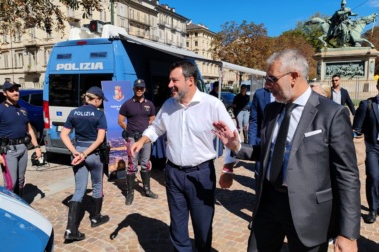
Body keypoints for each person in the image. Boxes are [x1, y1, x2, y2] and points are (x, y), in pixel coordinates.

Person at [216, 49, 360, 252]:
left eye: (271, 79)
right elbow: (267, 152)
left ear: (293, 77)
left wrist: (348, 233)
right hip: (268, 203)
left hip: (309, 211)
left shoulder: (332, 113)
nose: (267, 86)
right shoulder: (272, 110)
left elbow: (347, 175)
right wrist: (237, 147)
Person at [130, 60, 238, 251]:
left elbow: (232, 137)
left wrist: (228, 168)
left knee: (202, 227)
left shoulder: (212, 104)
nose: (169, 84)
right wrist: (142, 140)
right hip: (173, 174)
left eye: (174, 80)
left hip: (201, 175)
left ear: (190, 80)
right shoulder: (169, 105)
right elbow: (156, 128)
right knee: (178, 227)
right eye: (170, 80)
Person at [60, 86, 110, 242]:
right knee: (97, 185)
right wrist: (85, 154)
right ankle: (95, 217)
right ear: (96, 99)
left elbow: (63, 134)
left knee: (79, 189)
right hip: (93, 154)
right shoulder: (99, 114)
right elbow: (100, 139)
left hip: (78, 150)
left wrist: (75, 151)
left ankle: (71, 230)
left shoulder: (74, 112)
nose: (101, 103)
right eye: (101, 100)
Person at [0, 81, 41, 196]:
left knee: (21, 181)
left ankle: (19, 204)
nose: (15, 93)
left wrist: (37, 147)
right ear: (4, 93)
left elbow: (30, 130)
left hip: (23, 148)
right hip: (8, 150)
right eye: (11, 90)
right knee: (11, 184)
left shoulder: (22, 109)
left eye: (16, 90)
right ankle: (7, 210)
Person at [118, 78, 158, 205]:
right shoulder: (127, 104)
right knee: (132, 165)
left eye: (141, 88)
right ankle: (130, 193)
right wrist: (128, 130)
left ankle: (146, 189)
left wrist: (148, 129)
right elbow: (120, 121)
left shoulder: (150, 104)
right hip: (132, 138)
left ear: (144, 89)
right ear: (133, 89)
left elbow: (152, 118)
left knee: (146, 163)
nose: (139, 90)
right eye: (137, 88)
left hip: (145, 139)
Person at [353, 80, 379, 224]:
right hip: (372, 147)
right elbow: (356, 128)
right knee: (374, 177)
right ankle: (373, 208)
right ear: (377, 87)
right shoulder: (367, 105)